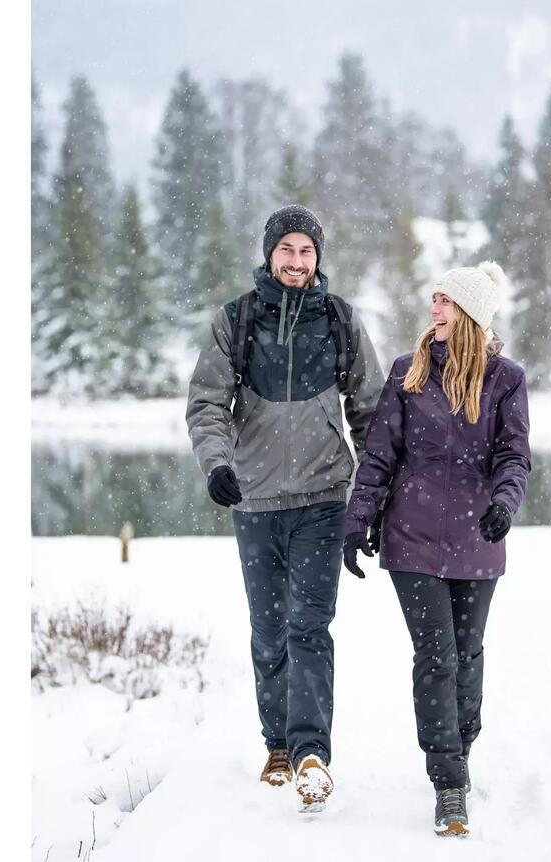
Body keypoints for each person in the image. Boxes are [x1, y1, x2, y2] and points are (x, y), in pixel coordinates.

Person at [186, 205, 384, 812]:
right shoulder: (237, 320)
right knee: (269, 629)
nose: (296, 262)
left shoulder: (340, 320)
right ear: (270, 254)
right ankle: (276, 744)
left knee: (310, 626)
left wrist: (371, 498)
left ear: (317, 258)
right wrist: (218, 464)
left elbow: (372, 411)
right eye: (287, 250)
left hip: (325, 498)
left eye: (306, 252)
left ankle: (310, 755)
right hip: (256, 500)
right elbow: (207, 403)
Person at [342, 261, 531, 837]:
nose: (434, 310)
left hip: (477, 537)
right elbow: (379, 457)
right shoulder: (409, 374)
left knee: (467, 654)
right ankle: (448, 782)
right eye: (434, 299)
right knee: (437, 656)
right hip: (412, 540)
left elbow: (513, 456)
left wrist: (503, 503)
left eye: (444, 301)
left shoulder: (506, 379)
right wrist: (359, 521)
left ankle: (460, 749)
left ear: (469, 313)